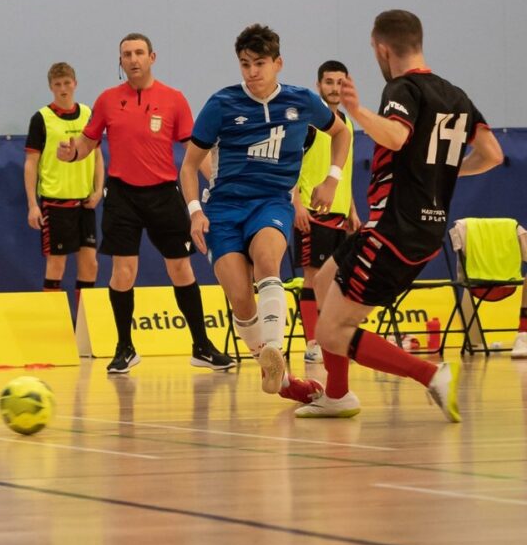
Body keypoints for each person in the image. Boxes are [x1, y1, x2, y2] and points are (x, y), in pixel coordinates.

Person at [297, 10, 503, 421]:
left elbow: (396, 135)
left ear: (382, 49)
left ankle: (429, 374)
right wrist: (442, 171)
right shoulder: (457, 95)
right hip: (416, 229)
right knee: (322, 281)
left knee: (331, 332)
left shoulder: (402, 88)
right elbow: (493, 155)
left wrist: (357, 111)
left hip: (394, 230)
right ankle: (337, 395)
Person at [179, 25, 348, 404]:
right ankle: (279, 376)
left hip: (271, 202)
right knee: (240, 298)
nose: (252, 72)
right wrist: (195, 213)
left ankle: (274, 348)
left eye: (259, 64)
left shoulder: (301, 101)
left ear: (278, 63)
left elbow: (342, 134)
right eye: (245, 64)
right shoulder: (221, 104)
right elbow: (188, 166)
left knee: (268, 261)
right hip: (223, 209)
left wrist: (332, 179)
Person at [57, 33, 233, 375]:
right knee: (123, 272)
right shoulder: (108, 100)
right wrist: (71, 153)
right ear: (120, 61)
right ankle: (125, 347)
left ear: (152, 57)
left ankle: (201, 346)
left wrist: (220, 183)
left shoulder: (174, 99)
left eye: (139, 52)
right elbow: (87, 143)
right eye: (127, 54)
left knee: (180, 268)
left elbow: (193, 151)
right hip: (122, 195)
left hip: (164, 194)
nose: (133, 59)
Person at [291, 60, 362, 365]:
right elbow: (291, 165)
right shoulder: (309, 124)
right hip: (312, 212)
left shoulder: (347, 125)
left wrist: (352, 209)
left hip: (340, 215)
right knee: (313, 278)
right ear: (318, 85)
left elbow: (344, 172)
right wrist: (295, 204)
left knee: (335, 281)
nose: (334, 88)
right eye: (329, 82)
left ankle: (333, 339)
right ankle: (313, 343)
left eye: (340, 82)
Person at [24, 62, 104, 294]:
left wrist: (98, 190)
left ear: (75, 84)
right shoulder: (42, 119)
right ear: (51, 87)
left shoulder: (88, 114)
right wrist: (32, 205)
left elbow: (97, 156)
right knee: (56, 266)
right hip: (55, 203)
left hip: (85, 203)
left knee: (90, 266)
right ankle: (52, 316)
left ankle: (82, 317)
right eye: (57, 84)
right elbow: (31, 163)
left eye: (67, 83)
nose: (63, 89)